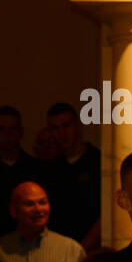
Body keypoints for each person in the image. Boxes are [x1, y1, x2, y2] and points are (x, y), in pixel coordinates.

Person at [45, 102, 101, 251]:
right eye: (55, 128)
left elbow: (106, 214)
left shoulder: (99, 162)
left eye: (66, 125)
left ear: (78, 125)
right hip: (57, 251)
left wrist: (81, 250)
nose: (62, 133)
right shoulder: (50, 169)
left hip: (93, 251)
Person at [0, 105, 48, 236]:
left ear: (20, 132)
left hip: (30, 241)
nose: (7, 134)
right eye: (1, 128)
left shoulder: (37, 169)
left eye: (12, 128)